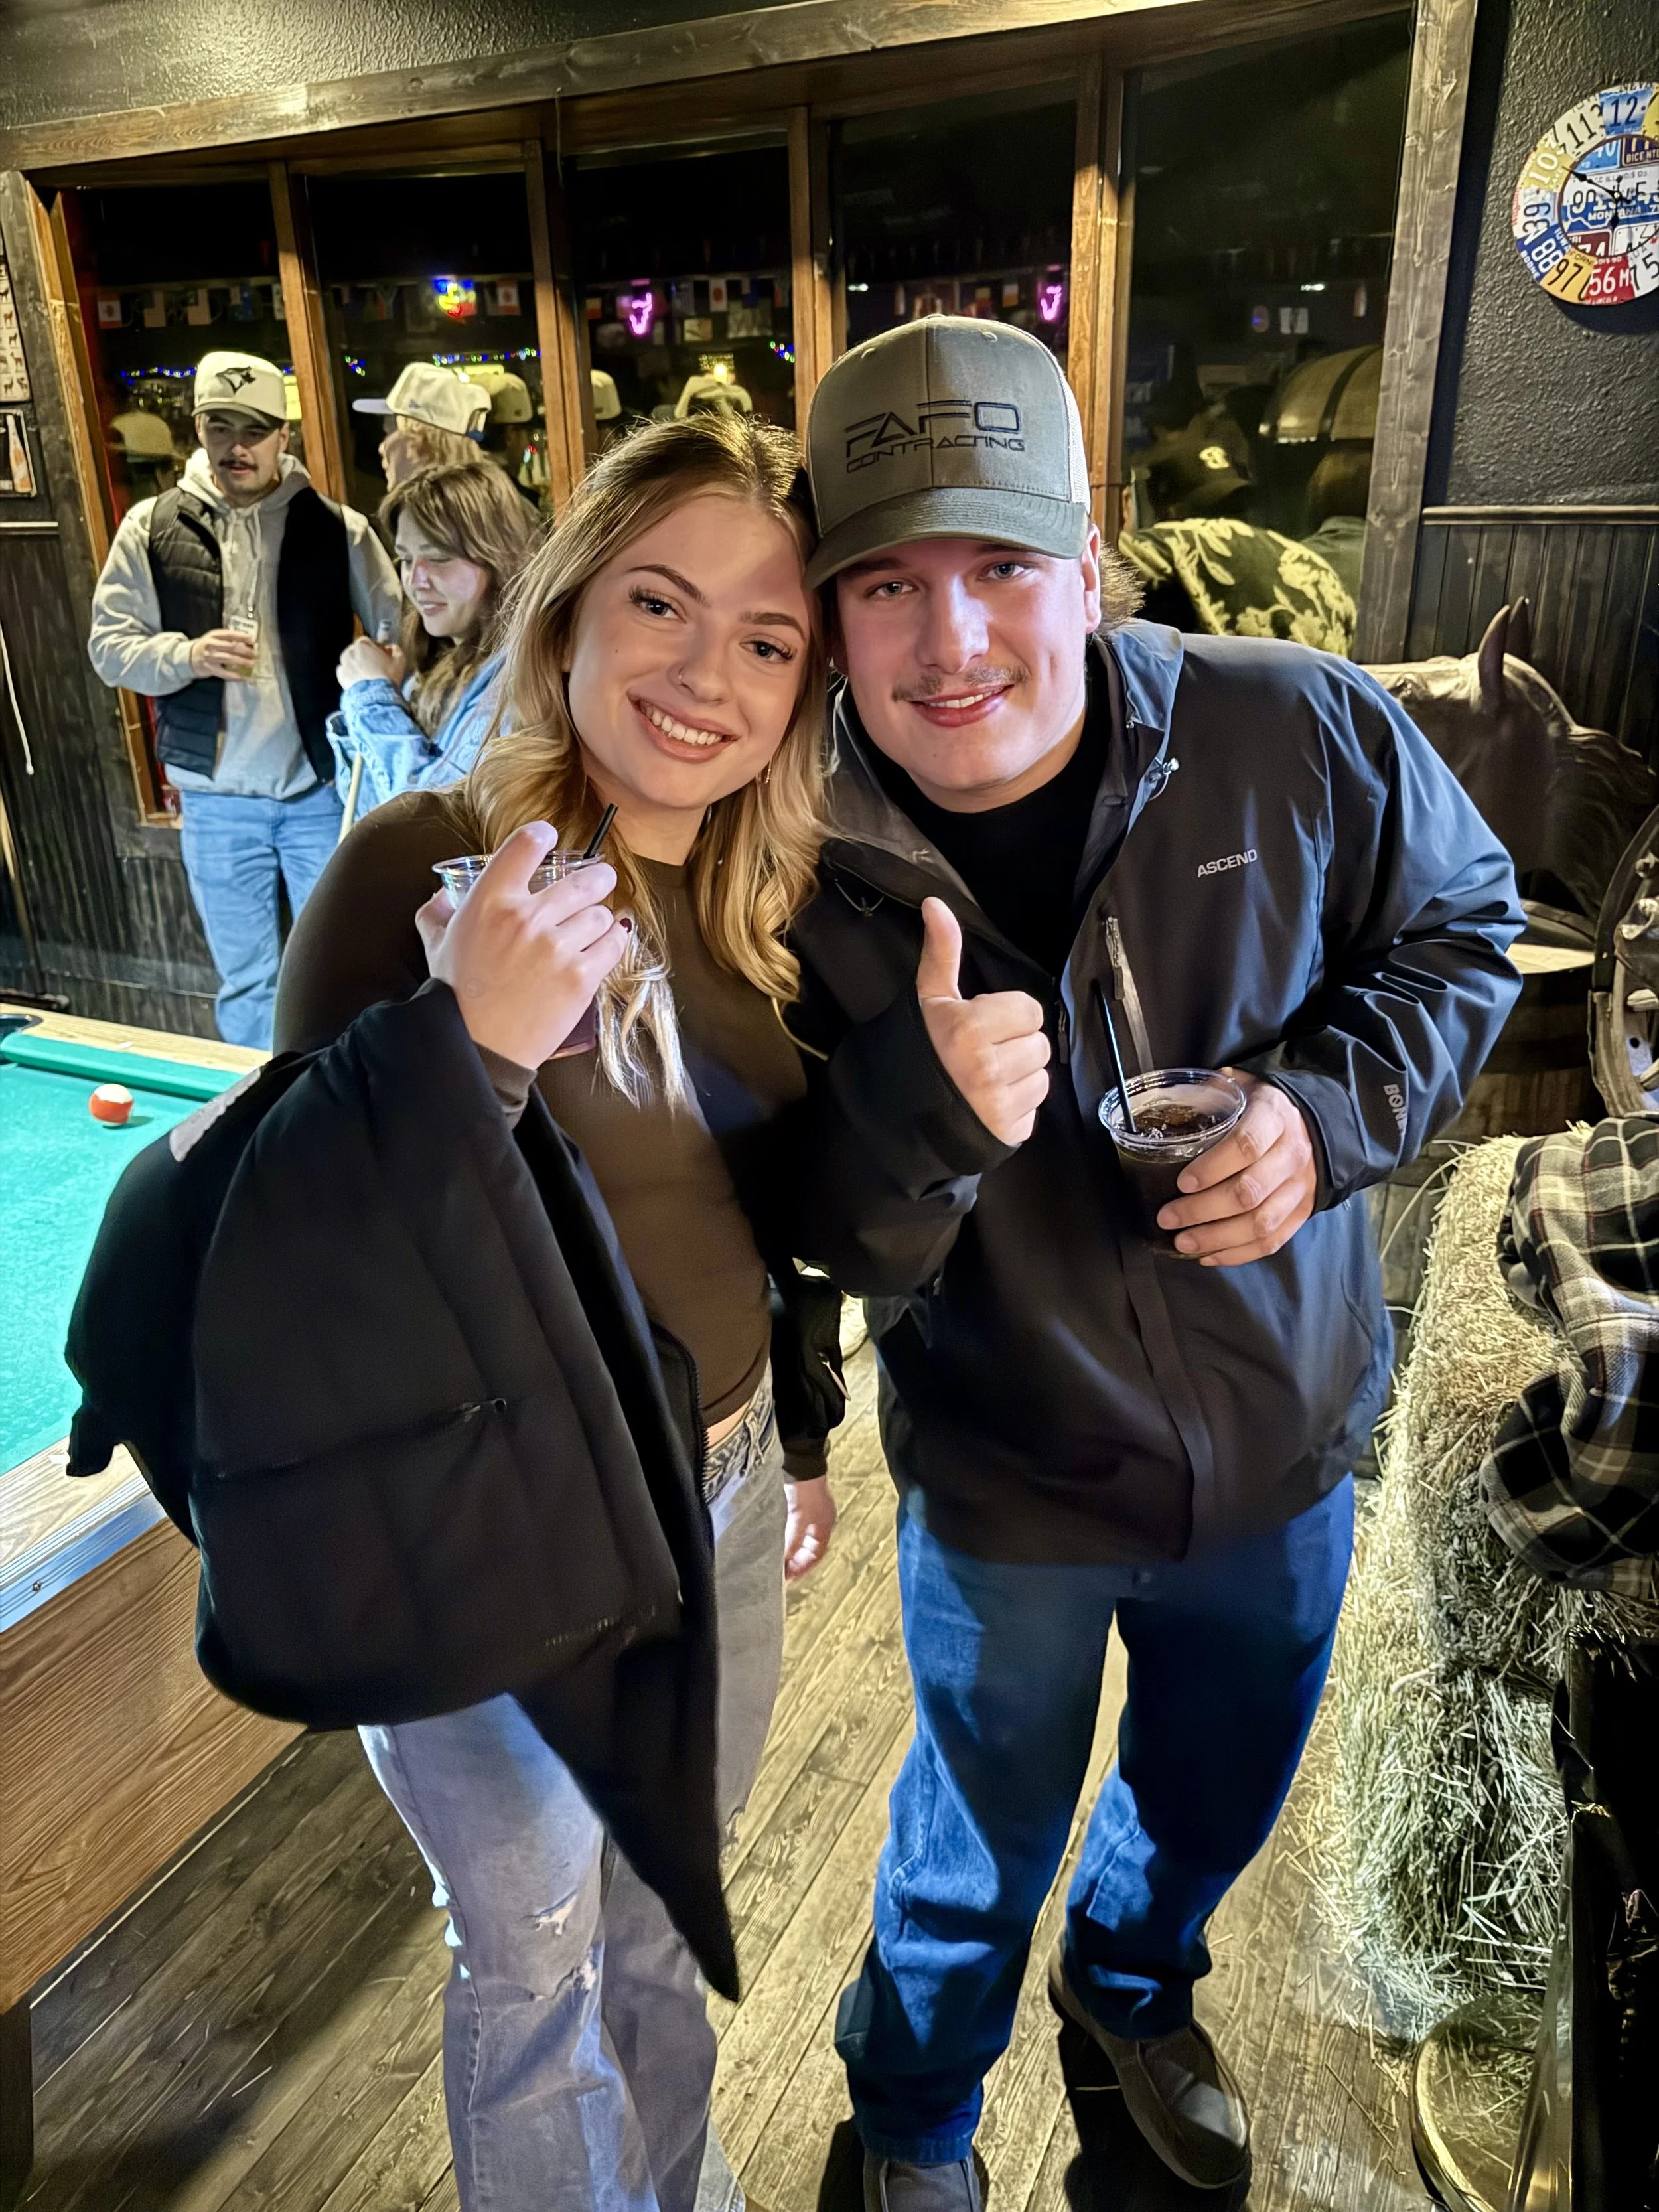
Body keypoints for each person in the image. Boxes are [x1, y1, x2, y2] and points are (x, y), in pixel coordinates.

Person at [784, 316, 1524, 2209]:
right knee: (974, 1848)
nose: (951, 643)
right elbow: (808, 1228)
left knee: (1206, 1802)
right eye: (888, 583)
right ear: (831, 611)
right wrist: (915, 1111)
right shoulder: (788, 861)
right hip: (1009, 1471)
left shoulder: (1292, 722)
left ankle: (1131, 1991)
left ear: (1086, 566)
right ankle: (912, 2123)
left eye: (1001, 568)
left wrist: (1322, 1116)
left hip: (1277, 1447)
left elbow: (1462, 928)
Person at [274, 410, 844, 2212]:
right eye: (661, 604)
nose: (707, 673)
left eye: (766, 640)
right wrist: (477, 1058)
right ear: (567, 613)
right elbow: (295, 1272)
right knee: (532, 1970)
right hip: (487, 1522)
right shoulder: (414, 869)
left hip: (725, 1490)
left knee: (664, 1910)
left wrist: (803, 1437)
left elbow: (780, 1222)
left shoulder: (772, 899)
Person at [87, 348, 402, 1047]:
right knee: (248, 980)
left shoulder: (338, 527)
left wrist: (380, 677)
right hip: (214, 801)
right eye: (221, 426)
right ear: (197, 427)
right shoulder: (149, 527)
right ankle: (257, 1124)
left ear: (282, 435)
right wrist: (187, 655)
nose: (238, 446)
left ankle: (335, 1116)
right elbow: (108, 648)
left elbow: (397, 630)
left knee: (339, 969)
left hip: (320, 794)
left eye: (254, 429)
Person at [329, 459, 540, 822]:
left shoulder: (515, 672)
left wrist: (371, 697)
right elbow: (367, 814)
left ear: (498, 557)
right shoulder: (437, 658)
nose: (416, 580)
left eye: (439, 558)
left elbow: (426, 819)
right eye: (407, 559)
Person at [354, 361, 490, 488]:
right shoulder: (479, 496)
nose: (382, 448)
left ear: (426, 445)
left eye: (391, 432)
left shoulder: (428, 510)